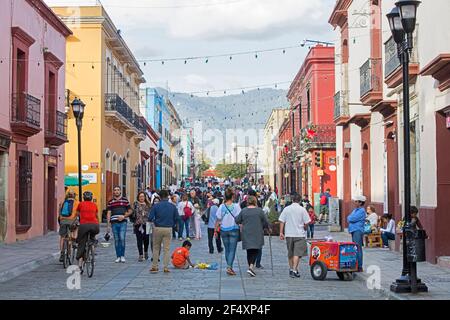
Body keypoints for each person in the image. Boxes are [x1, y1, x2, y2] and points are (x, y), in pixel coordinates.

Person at [235, 196, 269, 277]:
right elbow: (265, 221)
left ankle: (251, 267)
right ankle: (251, 267)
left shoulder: (244, 211)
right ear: (255, 201)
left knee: (249, 250)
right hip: (257, 232)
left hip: (246, 233)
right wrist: (266, 227)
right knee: (256, 250)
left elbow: (237, 220)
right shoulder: (259, 211)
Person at [278, 193, 311, 278]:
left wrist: (281, 232)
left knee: (290, 253)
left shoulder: (286, 209)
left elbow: (282, 221)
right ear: (300, 200)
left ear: (292, 200)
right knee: (297, 253)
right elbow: (307, 221)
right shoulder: (302, 209)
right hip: (299, 234)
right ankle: (294, 269)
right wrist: (305, 227)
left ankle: (291, 269)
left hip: (289, 233)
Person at [148, 190, 178, 273]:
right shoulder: (172, 206)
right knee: (166, 249)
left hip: (158, 228)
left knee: (156, 248)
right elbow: (177, 218)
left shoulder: (156, 206)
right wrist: (173, 223)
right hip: (168, 228)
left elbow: (150, 218)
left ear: (160, 197)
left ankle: (154, 266)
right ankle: (165, 267)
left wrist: (155, 221)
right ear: (168, 196)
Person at [215, 188, 241, 276]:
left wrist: (215, 230)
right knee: (232, 250)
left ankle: (229, 266)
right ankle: (229, 267)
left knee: (227, 249)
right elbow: (239, 218)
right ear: (233, 196)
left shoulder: (221, 206)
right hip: (234, 229)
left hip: (223, 230)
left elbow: (218, 219)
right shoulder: (236, 206)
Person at [106, 186, 132, 263]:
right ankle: (118, 256)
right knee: (116, 240)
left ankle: (122, 256)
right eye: (115, 190)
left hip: (123, 222)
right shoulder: (110, 202)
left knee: (122, 238)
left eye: (118, 190)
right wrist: (108, 225)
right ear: (113, 192)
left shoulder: (125, 200)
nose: (116, 191)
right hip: (114, 223)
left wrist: (124, 216)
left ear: (120, 191)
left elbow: (130, 211)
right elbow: (109, 213)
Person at [75, 191, 100, 268]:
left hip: (84, 226)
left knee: (81, 243)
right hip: (95, 226)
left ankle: (80, 263)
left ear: (83, 197)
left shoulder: (81, 204)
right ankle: (93, 255)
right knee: (92, 238)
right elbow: (96, 215)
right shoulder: (94, 205)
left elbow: (77, 213)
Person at [58, 191, 79, 262]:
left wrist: (60, 221)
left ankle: (62, 253)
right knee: (76, 228)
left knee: (62, 237)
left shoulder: (63, 202)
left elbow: (59, 213)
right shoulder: (77, 203)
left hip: (63, 221)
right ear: (74, 196)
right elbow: (78, 213)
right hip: (71, 222)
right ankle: (73, 240)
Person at [347, 195, 367, 272]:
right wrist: (350, 218)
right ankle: (356, 264)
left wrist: (350, 218)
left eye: (356, 201)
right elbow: (349, 218)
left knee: (358, 248)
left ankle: (359, 266)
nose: (355, 202)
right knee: (356, 248)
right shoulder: (356, 210)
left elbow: (351, 218)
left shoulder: (361, 211)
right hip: (354, 230)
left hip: (357, 230)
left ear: (360, 202)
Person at [133, 192, 151, 262]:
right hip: (138, 224)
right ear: (138, 197)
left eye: (143, 196)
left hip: (147, 224)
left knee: (146, 239)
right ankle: (140, 254)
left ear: (145, 197)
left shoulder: (149, 205)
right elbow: (133, 213)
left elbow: (151, 213)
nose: (141, 198)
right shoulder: (135, 204)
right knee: (139, 239)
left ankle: (145, 251)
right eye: (140, 196)